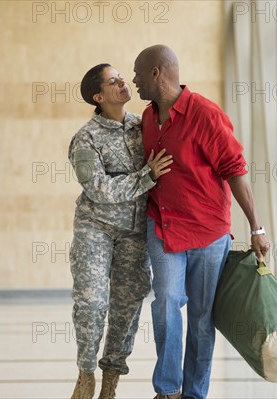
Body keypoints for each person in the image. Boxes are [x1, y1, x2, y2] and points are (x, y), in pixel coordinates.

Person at [132, 45, 270, 399]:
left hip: (208, 234)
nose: (134, 81)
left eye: (137, 74)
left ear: (156, 73)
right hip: (162, 226)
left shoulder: (206, 114)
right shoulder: (147, 118)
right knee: (165, 301)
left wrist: (256, 227)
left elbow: (236, 170)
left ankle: (194, 394)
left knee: (202, 317)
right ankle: (168, 390)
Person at [68, 63, 173, 399]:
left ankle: (110, 381)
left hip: (134, 231)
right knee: (93, 302)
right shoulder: (85, 139)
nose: (122, 82)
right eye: (113, 81)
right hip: (95, 227)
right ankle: (86, 373)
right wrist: (146, 177)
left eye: (121, 77)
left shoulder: (142, 127)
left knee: (127, 306)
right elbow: (99, 190)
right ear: (99, 96)